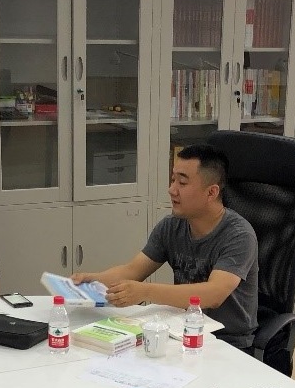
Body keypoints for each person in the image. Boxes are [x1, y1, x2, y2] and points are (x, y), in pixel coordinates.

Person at [71, 144, 259, 349]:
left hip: (228, 343)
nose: (172, 190)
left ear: (211, 192)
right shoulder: (172, 226)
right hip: (181, 333)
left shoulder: (239, 235)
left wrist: (145, 292)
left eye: (182, 182)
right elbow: (132, 271)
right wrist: (92, 280)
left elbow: (214, 294)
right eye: (172, 180)